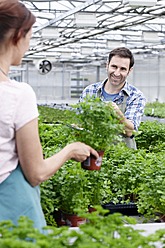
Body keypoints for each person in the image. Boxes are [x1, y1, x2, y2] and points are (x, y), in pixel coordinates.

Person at [0, 0, 99, 232]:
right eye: (29, 37)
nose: (28, 45)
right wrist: (71, 149)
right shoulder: (17, 94)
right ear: (18, 36)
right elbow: (36, 173)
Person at [79, 47, 146, 149]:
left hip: (123, 158)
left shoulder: (136, 96)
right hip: (92, 154)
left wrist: (117, 114)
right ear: (107, 65)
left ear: (129, 71)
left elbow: (130, 131)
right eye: (114, 67)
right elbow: (80, 122)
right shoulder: (90, 91)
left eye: (123, 69)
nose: (117, 73)